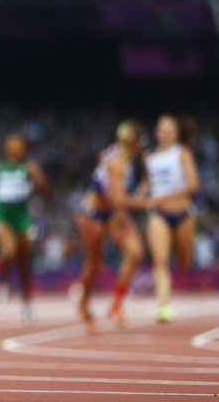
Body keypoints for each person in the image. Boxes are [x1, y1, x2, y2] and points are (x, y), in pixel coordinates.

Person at [76, 119, 147, 334]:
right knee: (95, 264)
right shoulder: (117, 162)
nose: (142, 147)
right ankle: (84, 305)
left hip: (113, 211)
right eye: (141, 143)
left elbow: (121, 196)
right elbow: (119, 199)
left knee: (135, 253)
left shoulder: (127, 158)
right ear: (134, 144)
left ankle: (116, 304)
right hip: (93, 213)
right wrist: (149, 203)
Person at [0, 132, 50, 325]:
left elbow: (46, 190)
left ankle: (27, 303)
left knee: (25, 262)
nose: (14, 149)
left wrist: (40, 182)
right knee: (9, 250)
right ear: (6, 148)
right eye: (11, 145)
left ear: (24, 148)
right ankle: (4, 285)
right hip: (1, 216)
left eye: (18, 145)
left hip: (22, 218)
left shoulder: (29, 167)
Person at [145, 115, 200, 323]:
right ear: (157, 132)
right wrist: (143, 196)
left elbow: (194, 183)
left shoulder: (182, 153)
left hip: (183, 213)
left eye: (170, 129)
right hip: (159, 214)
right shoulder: (149, 158)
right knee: (160, 261)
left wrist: (172, 195)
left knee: (185, 261)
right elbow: (147, 184)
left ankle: (184, 261)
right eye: (162, 129)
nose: (165, 133)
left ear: (176, 134)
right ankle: (164, 306)